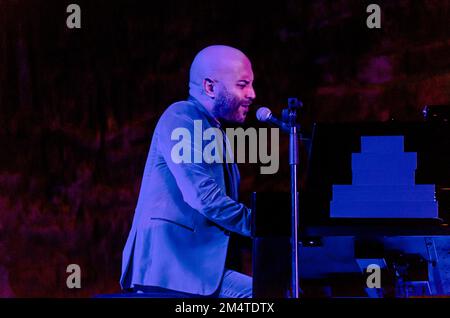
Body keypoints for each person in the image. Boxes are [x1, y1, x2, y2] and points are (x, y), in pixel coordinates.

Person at [120, 45, 256, 298]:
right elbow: (204, 197)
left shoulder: (212, 130)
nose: (252, 94)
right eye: (242, 84)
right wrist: (264, 225)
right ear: (210, 87)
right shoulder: (181, 117)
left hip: (196, 268)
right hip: (172, 268)